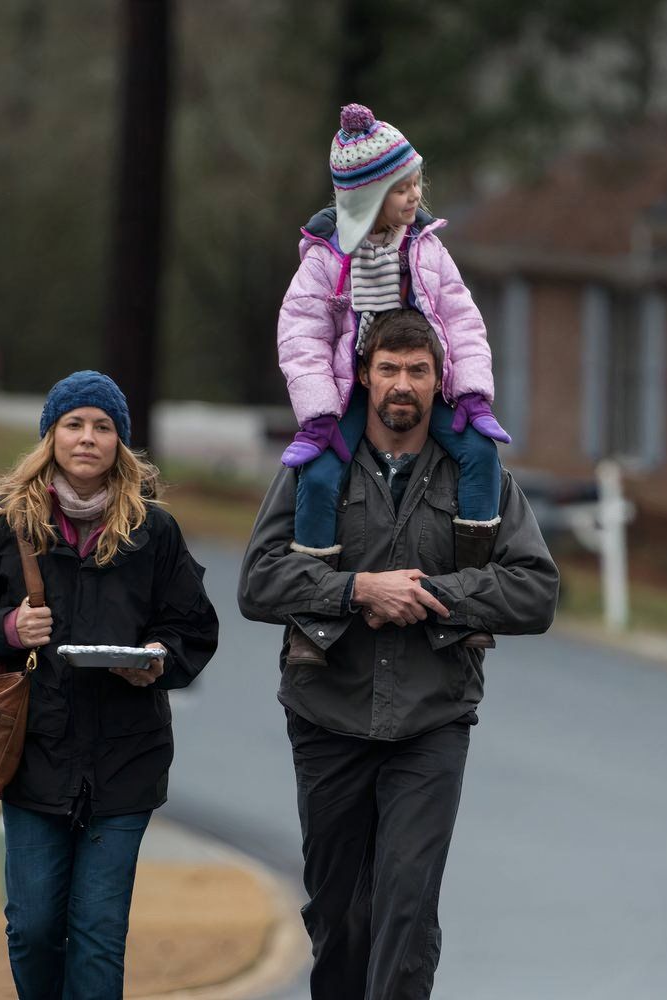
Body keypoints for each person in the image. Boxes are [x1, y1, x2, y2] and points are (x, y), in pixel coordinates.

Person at [239, 309, 561, 1000]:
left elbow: (535, 591)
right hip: (328, 715)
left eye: (418, 370)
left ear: (441, 381)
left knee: (407, 911)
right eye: (389, 369)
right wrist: (358, 590)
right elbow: (258, 581)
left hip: (432, 720)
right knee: (341, 915)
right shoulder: (315, 467)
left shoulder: (477, 473)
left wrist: (435, 593)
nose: (403, 384)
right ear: (362, 375)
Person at [0, 370, 220, 1000]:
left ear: (121, 442)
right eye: (74, 424)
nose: (88, 438)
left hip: (126, 760)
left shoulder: (154, 531)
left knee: (98, 932)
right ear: (51, 436)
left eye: (103, 426)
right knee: (32, 928)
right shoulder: (8, 521)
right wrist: (7, 626)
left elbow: (194, 626)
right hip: (33, 756)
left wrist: (155, 658)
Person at [274, 102, 512, 668]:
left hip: (428, 388)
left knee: (480, 454)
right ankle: (315, 617)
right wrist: (319, 413)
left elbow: (463, 320)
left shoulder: (428, 248)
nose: (414, 199)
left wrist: (472, 392)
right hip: (355, 390)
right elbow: (301, 334)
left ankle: (466, 600)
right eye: (401, 189)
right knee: (323, 471)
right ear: (365, 198)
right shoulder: (325, 259)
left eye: (415, 185)